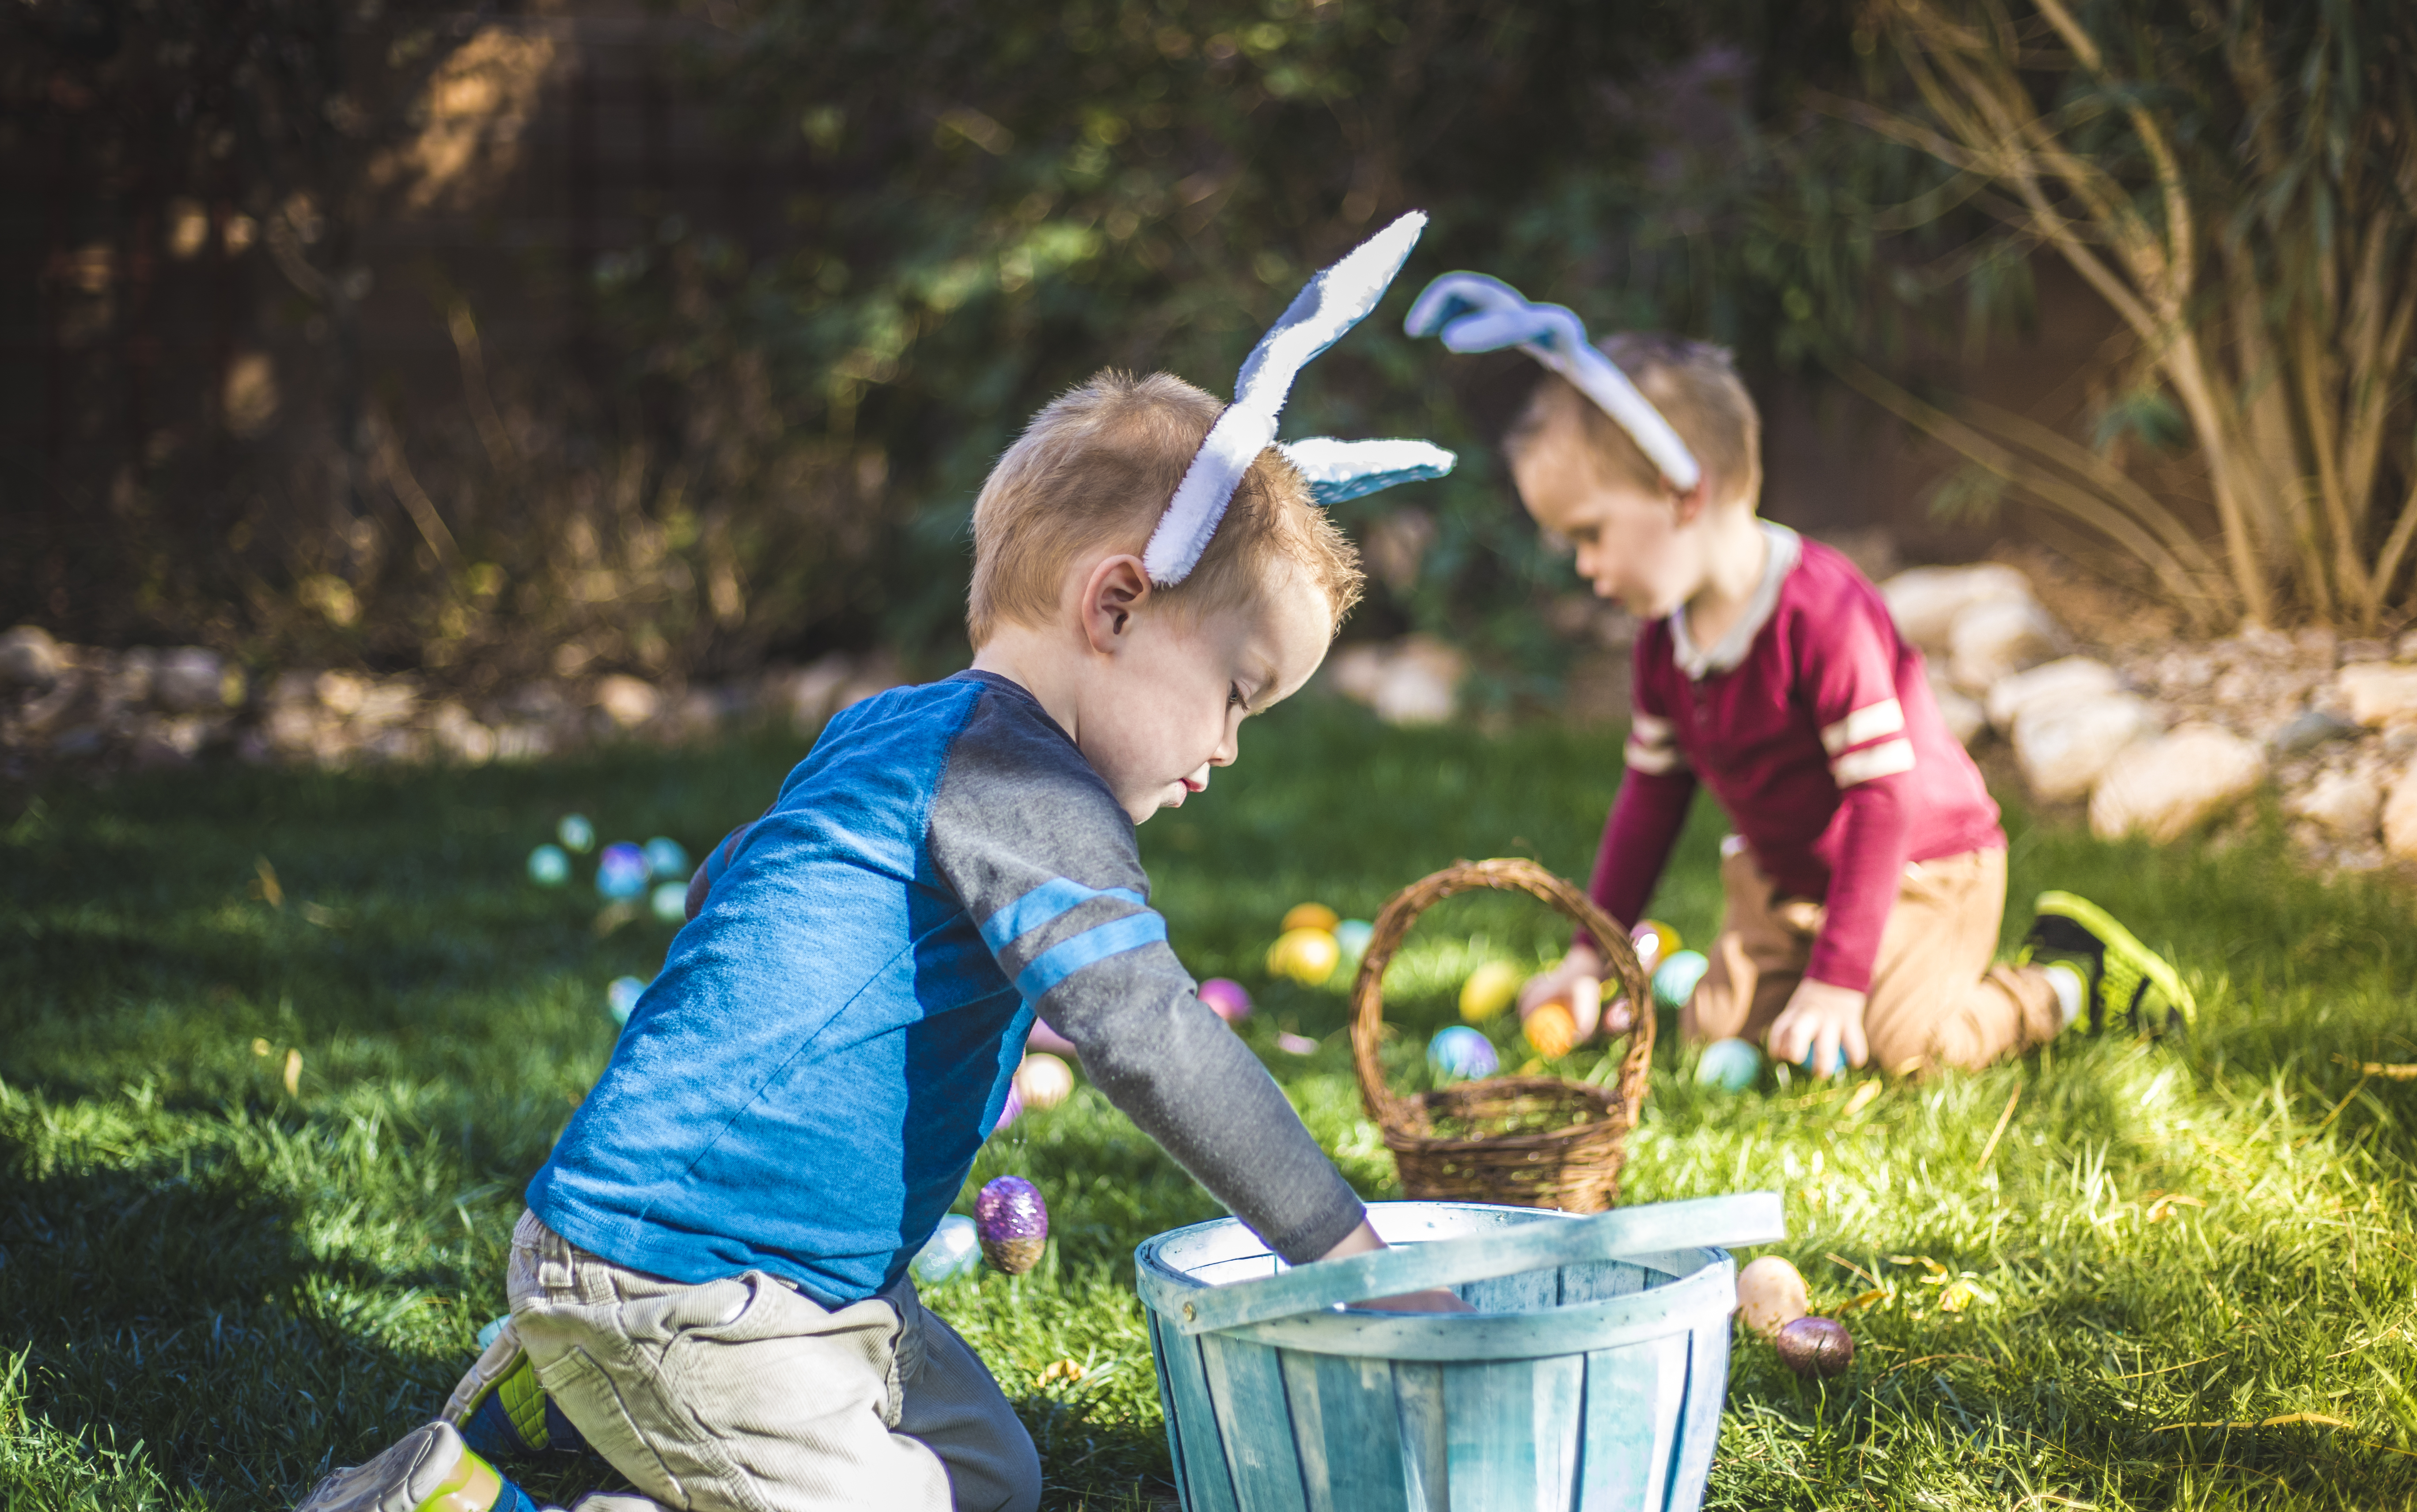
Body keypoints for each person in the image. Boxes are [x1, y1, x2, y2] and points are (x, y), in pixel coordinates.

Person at [295, 217, 1465, 1512]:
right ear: (1117, 605)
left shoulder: (896, 728)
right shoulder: (1029, 785)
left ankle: (559, 1404)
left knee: (991, 1479)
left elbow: (731, 885)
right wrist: (1350, 1256)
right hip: (690, 1279)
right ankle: (463, 1494)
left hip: (805, 1280)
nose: (1232, 747)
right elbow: (1153, 1033)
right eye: (1237, 695)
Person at [1404, 273, 2196, 1081]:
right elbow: (1650, 803)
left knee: (1908, 1048)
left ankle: (2069, 978)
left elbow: (1885, 800)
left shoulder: (1821, 613)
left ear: (1683, 496)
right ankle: (1807, 973)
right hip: (1786, 882)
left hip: (1923, 866)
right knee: (1717, 1039)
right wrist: (1590, 954)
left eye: (1591, 534)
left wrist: (1840, 984)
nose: (1584, 565)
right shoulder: (1664, 642)